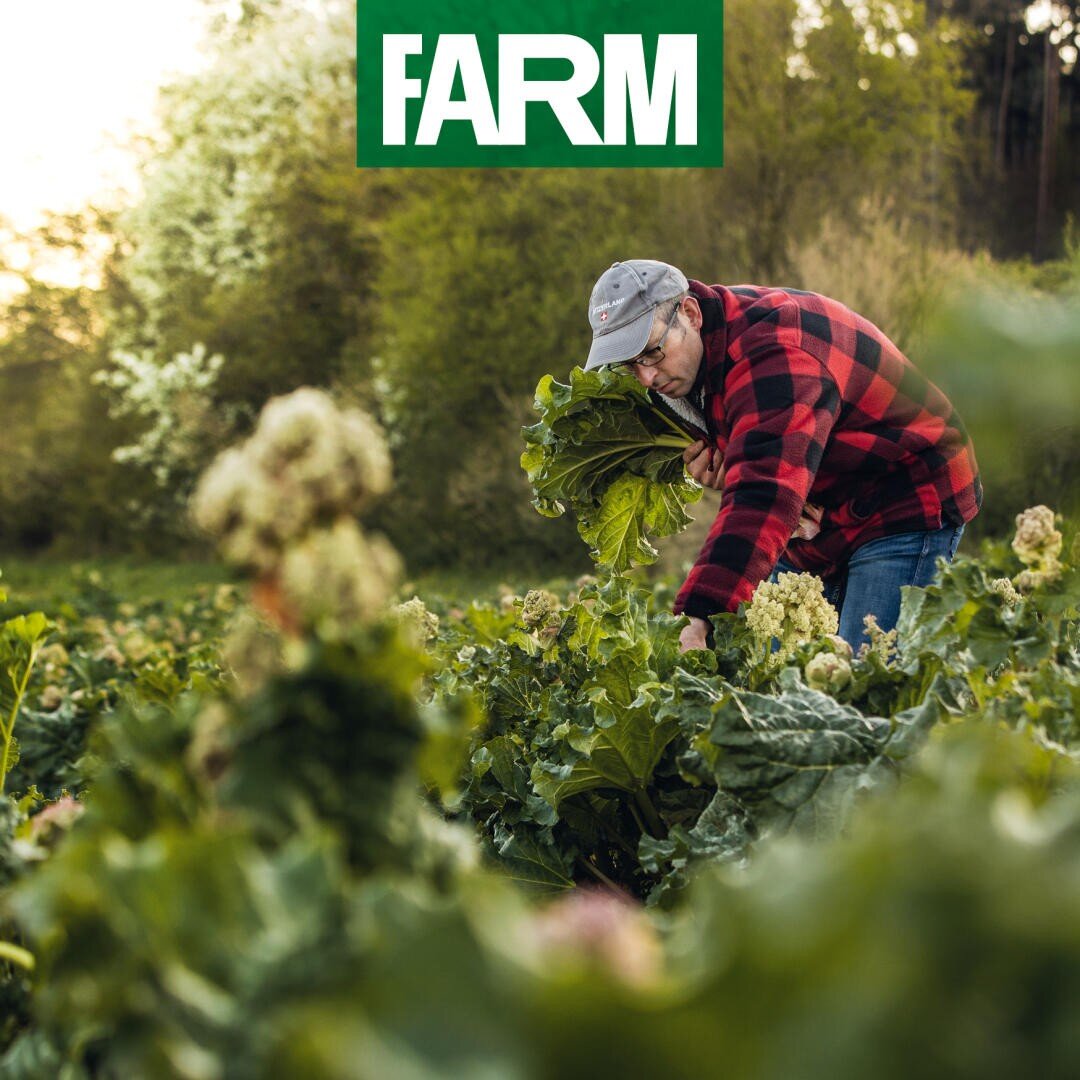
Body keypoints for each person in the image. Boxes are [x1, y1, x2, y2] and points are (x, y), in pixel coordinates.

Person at [583, 260, 982, 654]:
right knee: (778, 679)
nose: (647, 378)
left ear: (689, 313)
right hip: (823, 513)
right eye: (630, 364)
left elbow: (763, 493)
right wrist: (729, 454)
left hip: (905, 495)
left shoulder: (774, 351)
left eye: (652, 352)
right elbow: (768, 454)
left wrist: (698, 614)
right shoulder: (696, 355)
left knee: (868, 682)